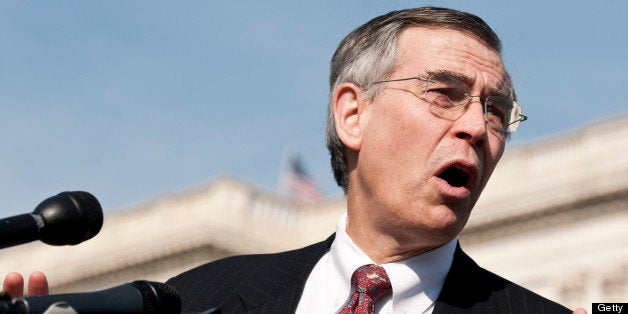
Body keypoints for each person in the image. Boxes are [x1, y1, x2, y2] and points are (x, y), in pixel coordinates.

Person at [3, 6, 587, 314]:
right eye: (444, 93)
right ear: (352, 114)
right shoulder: (198, 296)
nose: (474, 126)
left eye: (496, 109)